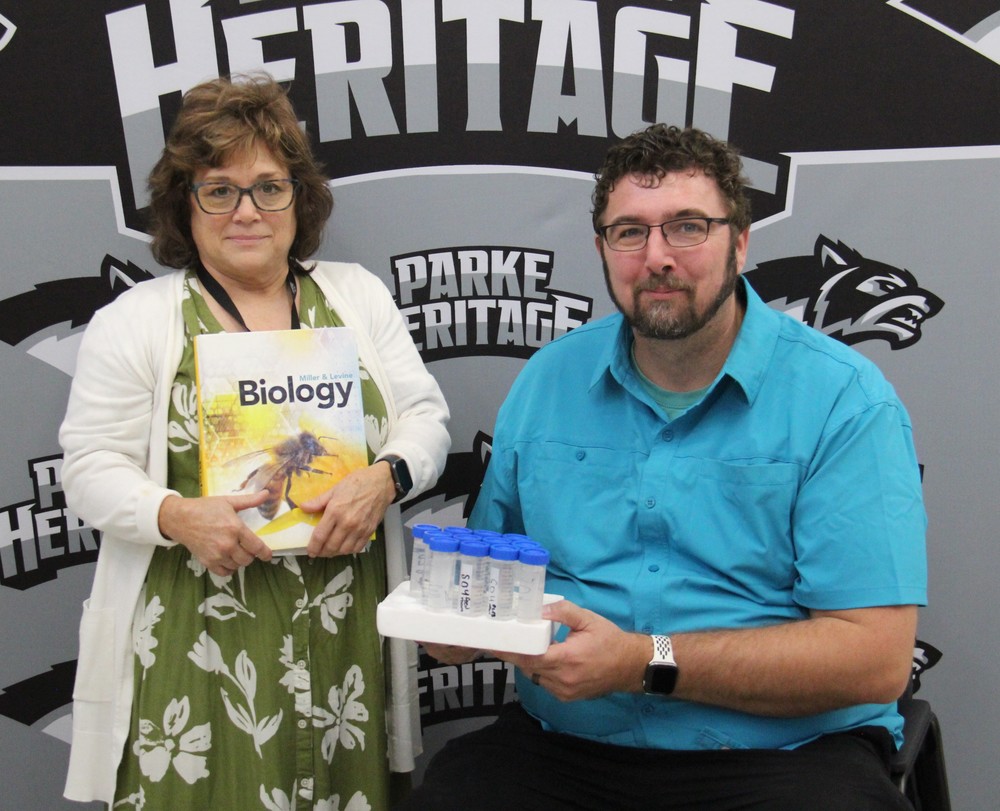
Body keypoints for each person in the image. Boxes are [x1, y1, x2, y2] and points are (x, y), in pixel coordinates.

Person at [399, 125, 926, 811]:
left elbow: (874, 660)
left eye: (687, 227)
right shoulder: (550, 380)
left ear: (740, 241)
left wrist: (643, 661)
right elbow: (488, 575)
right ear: (602, 249)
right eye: (629, 232)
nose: (656, 258)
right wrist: (456, 625)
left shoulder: (843, 401)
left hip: (784, 756)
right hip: (565, 745)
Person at [60, 74, 450, 810]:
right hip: (195, 642)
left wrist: (386, 478)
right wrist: (176, 514)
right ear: (185, 203)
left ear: (299, 199)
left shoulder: (357, 296)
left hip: (343, 641)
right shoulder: (136, 321)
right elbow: (88, 467)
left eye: (269, 188)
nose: (247, 211)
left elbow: (424, 418)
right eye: (220, 190)